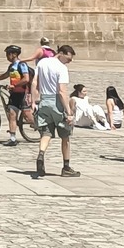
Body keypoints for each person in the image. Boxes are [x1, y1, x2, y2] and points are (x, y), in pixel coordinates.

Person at [32, 42, 79, 178]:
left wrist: (34, 101)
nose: (69, 62)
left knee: (46, 132)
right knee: (65, 135)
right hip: (57, 102)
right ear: (61, 54)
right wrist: (68, 112)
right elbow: (62, 91)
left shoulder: (42, 63)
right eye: (68, 59)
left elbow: (35, 82)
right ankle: (66, 167)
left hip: (44, 101)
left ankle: (41, 154)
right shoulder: (61, 68)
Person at [0, 46, 32, 145]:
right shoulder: (11, 67)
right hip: (14, 94)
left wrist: (14, 85)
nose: (7, 56)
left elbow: (26, 79)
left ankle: (43, 128)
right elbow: (4, 75)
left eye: (8, 54)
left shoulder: (22, 64)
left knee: (28, 118)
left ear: (14, 54)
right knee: (12, 115)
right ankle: (13, 138)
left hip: (23, 93)